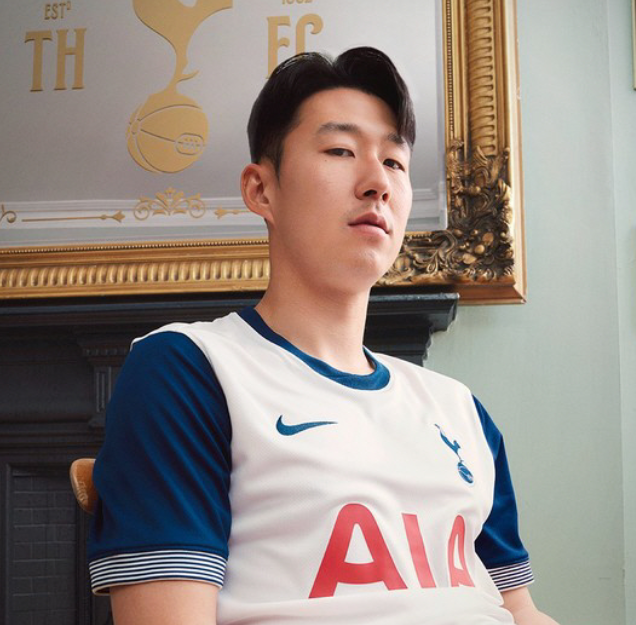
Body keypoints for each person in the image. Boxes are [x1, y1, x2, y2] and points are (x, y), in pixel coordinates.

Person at [87, 47, 560, 625]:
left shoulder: (459, 410)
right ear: (261, 190)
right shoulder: (190, 369)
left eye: (395, 162)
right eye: (341, 151)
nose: (377, 183)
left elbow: (520, 610)